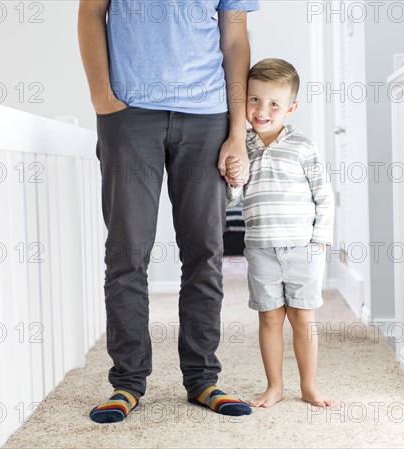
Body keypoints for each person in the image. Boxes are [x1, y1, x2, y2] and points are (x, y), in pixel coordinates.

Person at [77, 0, 260, 423]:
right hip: (129, 113)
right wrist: (101, 97)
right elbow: (90, 13)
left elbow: (235, 39)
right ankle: (127, 383)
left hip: (209, 116)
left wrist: (237, 131)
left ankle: (202, 380)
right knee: (127, 252)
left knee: (205, 252)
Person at [226, 58, 335, 408]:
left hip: (304, 248)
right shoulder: (243, 146)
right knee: (270, 318)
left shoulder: (303, 146)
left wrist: (320, 241)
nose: (262, 110)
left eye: (274, 103)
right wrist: (233, 175)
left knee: (303, 317)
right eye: (254, 100)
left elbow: (324, 195)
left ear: (291, 108)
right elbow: (233, 197)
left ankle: (309, 385)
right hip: (260, 248)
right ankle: (274, 385)